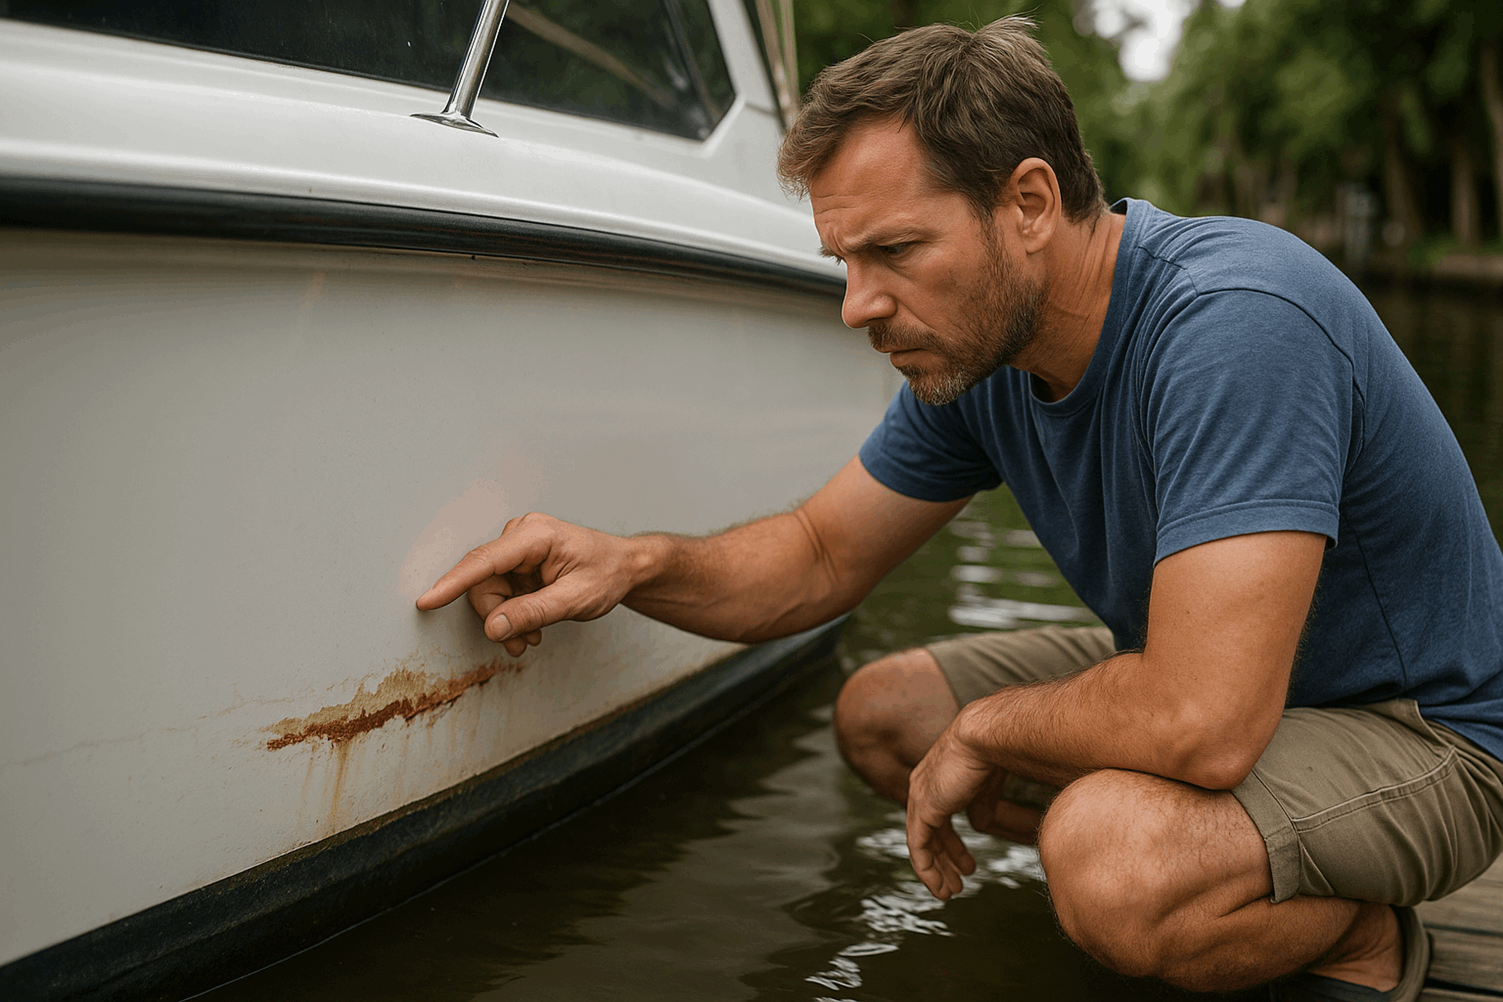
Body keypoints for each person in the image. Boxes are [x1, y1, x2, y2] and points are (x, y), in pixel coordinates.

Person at [417, 17, 1503, 1002]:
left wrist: (994, 728)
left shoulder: (1235, 324)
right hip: (1215, 681)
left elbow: (1201, 723)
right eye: (846, 261)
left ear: (1028, 204)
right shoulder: (986, 357)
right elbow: (816, 555)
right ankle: (1216, 890)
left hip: (1421, 739)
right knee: (886, 715)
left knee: (1110, 861)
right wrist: (632, 565)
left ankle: (1352, 933)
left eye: (893, 252)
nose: (858, 307)